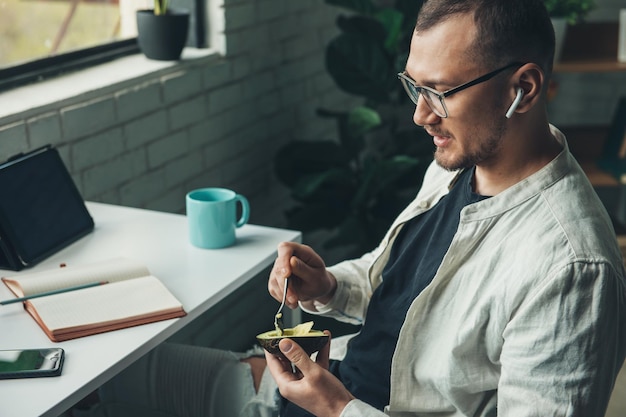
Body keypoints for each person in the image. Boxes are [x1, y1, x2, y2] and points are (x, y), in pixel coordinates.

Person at [91, 1, 626, 416]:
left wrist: (338, 408)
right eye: (415, 86)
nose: (420, 115)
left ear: (523, 89)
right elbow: (398, 286)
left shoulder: (571, 269)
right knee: (104, 379)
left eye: (439, 92)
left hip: (332, 402)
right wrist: (327, 288)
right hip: (313, 387)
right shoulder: (460, 159)